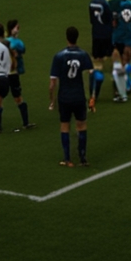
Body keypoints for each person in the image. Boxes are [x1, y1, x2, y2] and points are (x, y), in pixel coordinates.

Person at [49, 25, 94, 168]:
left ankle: (67, 159)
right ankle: (83, 158)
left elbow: (52, 83)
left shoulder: (59, 56)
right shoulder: (84, 55)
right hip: (79, 96)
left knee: (65, 126)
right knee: (81, 125)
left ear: (67, 38)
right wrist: (92, 97)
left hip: (64, 97)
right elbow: (91, 76)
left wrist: (52, 100)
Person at [88, 0, 113, 106]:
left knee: (96, 65)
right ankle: (119, 89)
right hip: (107, 36)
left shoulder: (91, 3)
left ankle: (93, 94)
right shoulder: (106, 3)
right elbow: (110, 20)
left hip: (96, 36)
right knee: (113, 61)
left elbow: (92, 20)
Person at [6, 19, 33, 128]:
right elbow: (23, 49)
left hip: (4, 72)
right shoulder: (16, 42)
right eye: (17, 27)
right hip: (13, 72)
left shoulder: (6, 40)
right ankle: (26, 122)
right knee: (18, 97)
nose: (18, 30)